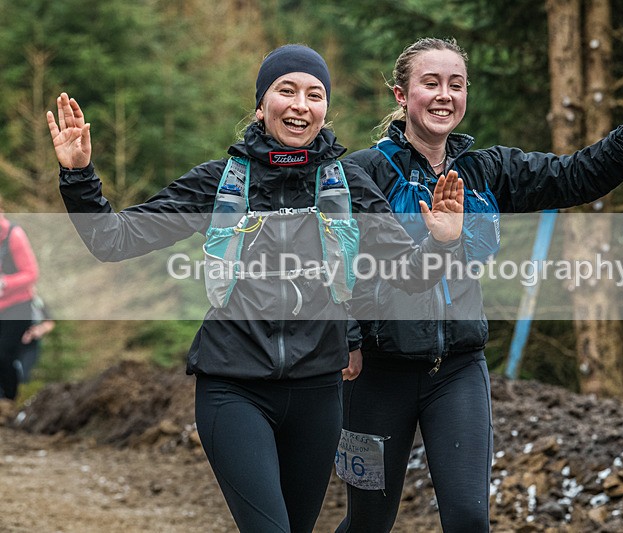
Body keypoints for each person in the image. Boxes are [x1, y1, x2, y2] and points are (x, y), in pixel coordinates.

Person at [47, 44, 464, 533]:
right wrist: (78, 176)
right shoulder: (220, 182)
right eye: (285, 90)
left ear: (326, 107)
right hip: (233, 386)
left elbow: (412, 276)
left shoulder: (347, 183)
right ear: (262, 103)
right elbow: (112, 240)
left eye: (314, 94)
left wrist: (442, 243)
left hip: (318, 392)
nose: (300, 105)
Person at [337, 37, 623, 532]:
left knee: (470, 519)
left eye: (456, 84)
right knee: (368, 524)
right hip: (377, 376)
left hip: (458, 371)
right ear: (401, 95)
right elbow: (338, 265)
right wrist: (348, 338)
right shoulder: (361, 174)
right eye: (430, 83)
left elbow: (568, 177)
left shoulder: (485, 171)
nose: (444, 94)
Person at [0, 200, 40, 401]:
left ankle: (9, 402)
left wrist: (5, 283)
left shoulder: (14, 235)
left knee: (4, 354)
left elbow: (31, 273)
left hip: (18, 305)